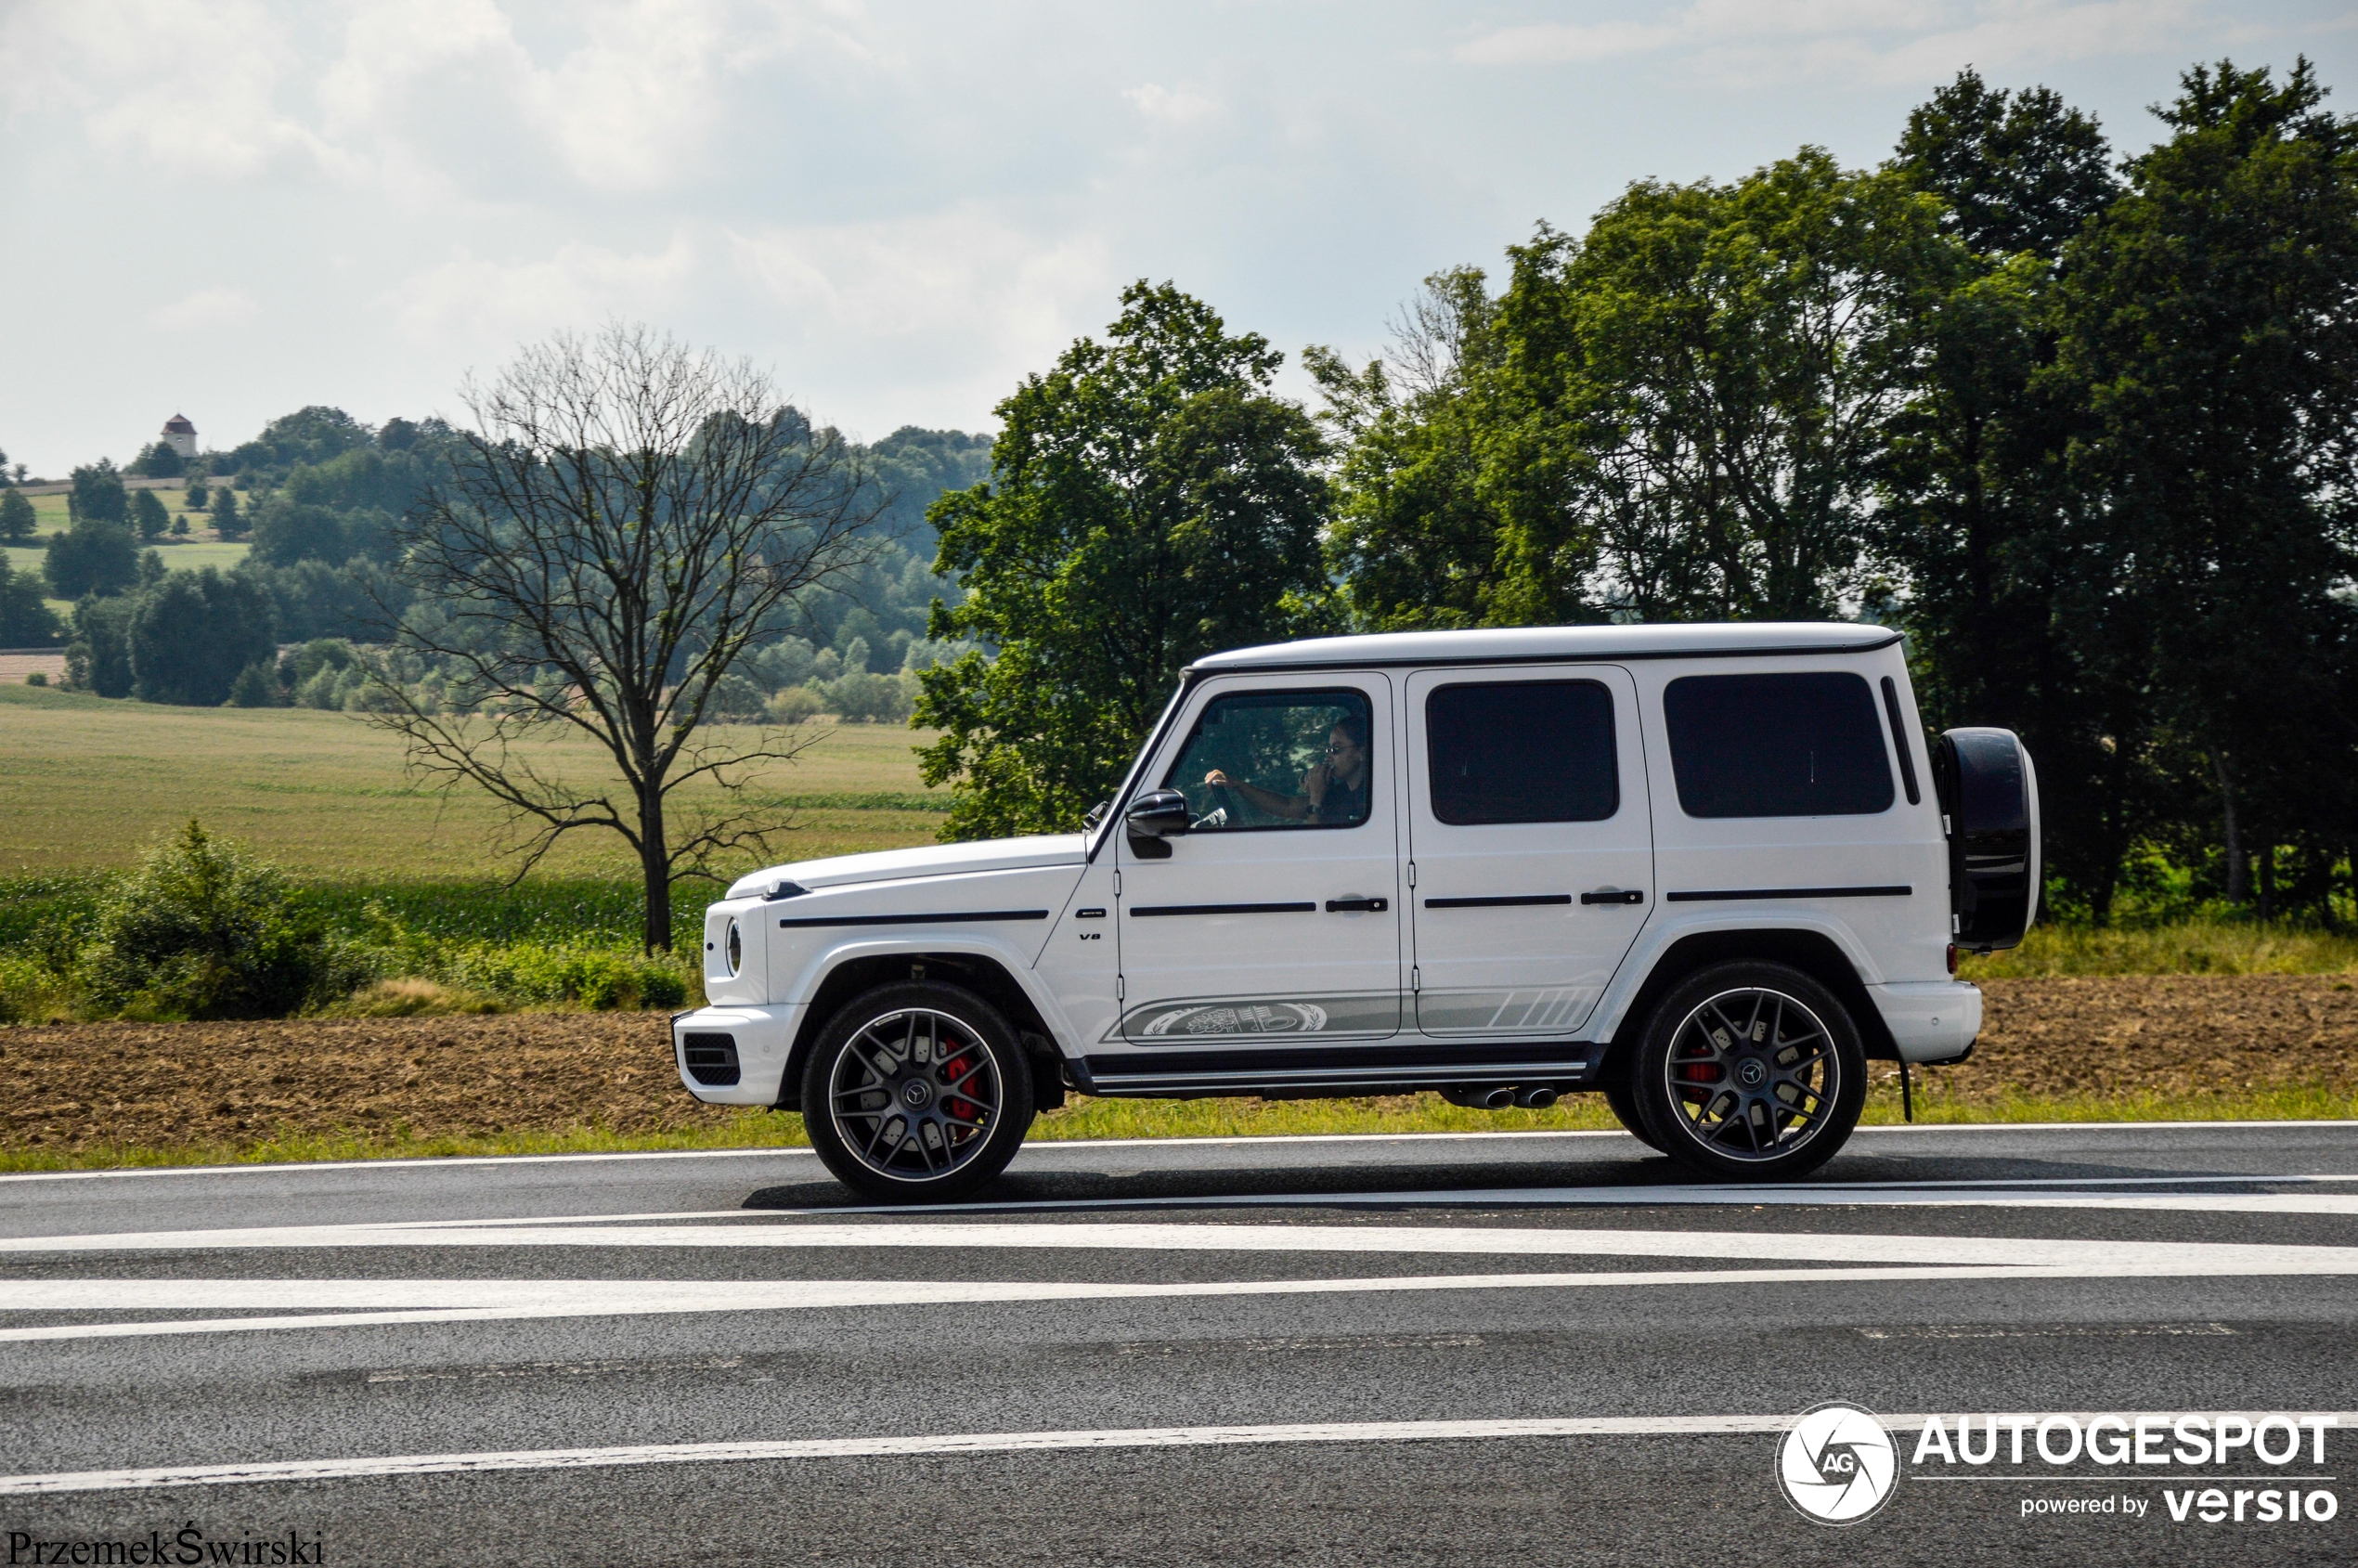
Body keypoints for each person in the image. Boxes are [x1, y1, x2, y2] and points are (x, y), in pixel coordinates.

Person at [1204, 715, 1370, 825]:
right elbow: (1287, 806)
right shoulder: (1343, 792)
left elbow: (1317, 842)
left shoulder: (1366, 800)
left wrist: (1316, 798)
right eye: (1328, 750)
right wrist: (1235, 784)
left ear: (1361, 753)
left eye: (1336, 749)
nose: (1328, 757)